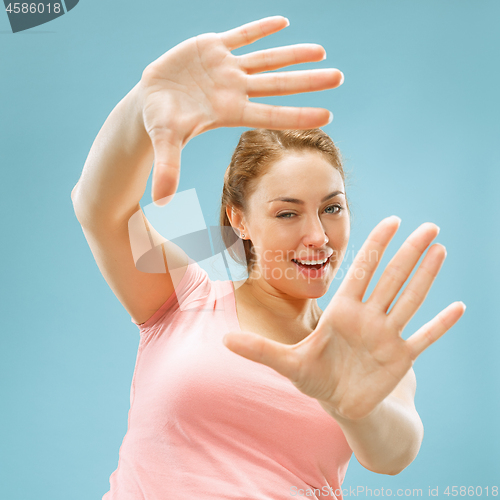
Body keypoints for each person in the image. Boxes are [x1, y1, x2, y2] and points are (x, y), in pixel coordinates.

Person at [71, 15, 466, 500]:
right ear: (239, 220)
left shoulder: (359, 343)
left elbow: (395, 453)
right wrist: (140, 106)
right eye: (286, 214)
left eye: (332, 208)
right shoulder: (190, 291)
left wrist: (346, 404)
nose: (317, 236)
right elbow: (99, 207)